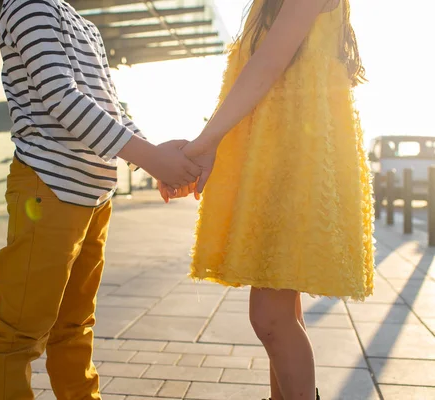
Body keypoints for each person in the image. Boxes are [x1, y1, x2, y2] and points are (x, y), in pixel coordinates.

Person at [0, 0, 201, 399]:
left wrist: (155, 157)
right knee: (19, 332)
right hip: (47, 187)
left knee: (74, 326)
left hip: (95, 195)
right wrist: (153, 158)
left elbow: (110, 108)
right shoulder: (28, 7)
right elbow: (61, 98)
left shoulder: (84, 25)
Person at [159, 0, 374, 399]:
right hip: (282, 162)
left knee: (271, 318)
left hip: (295, 165)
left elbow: (267, 65)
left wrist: (206, 144)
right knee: (281, 311)